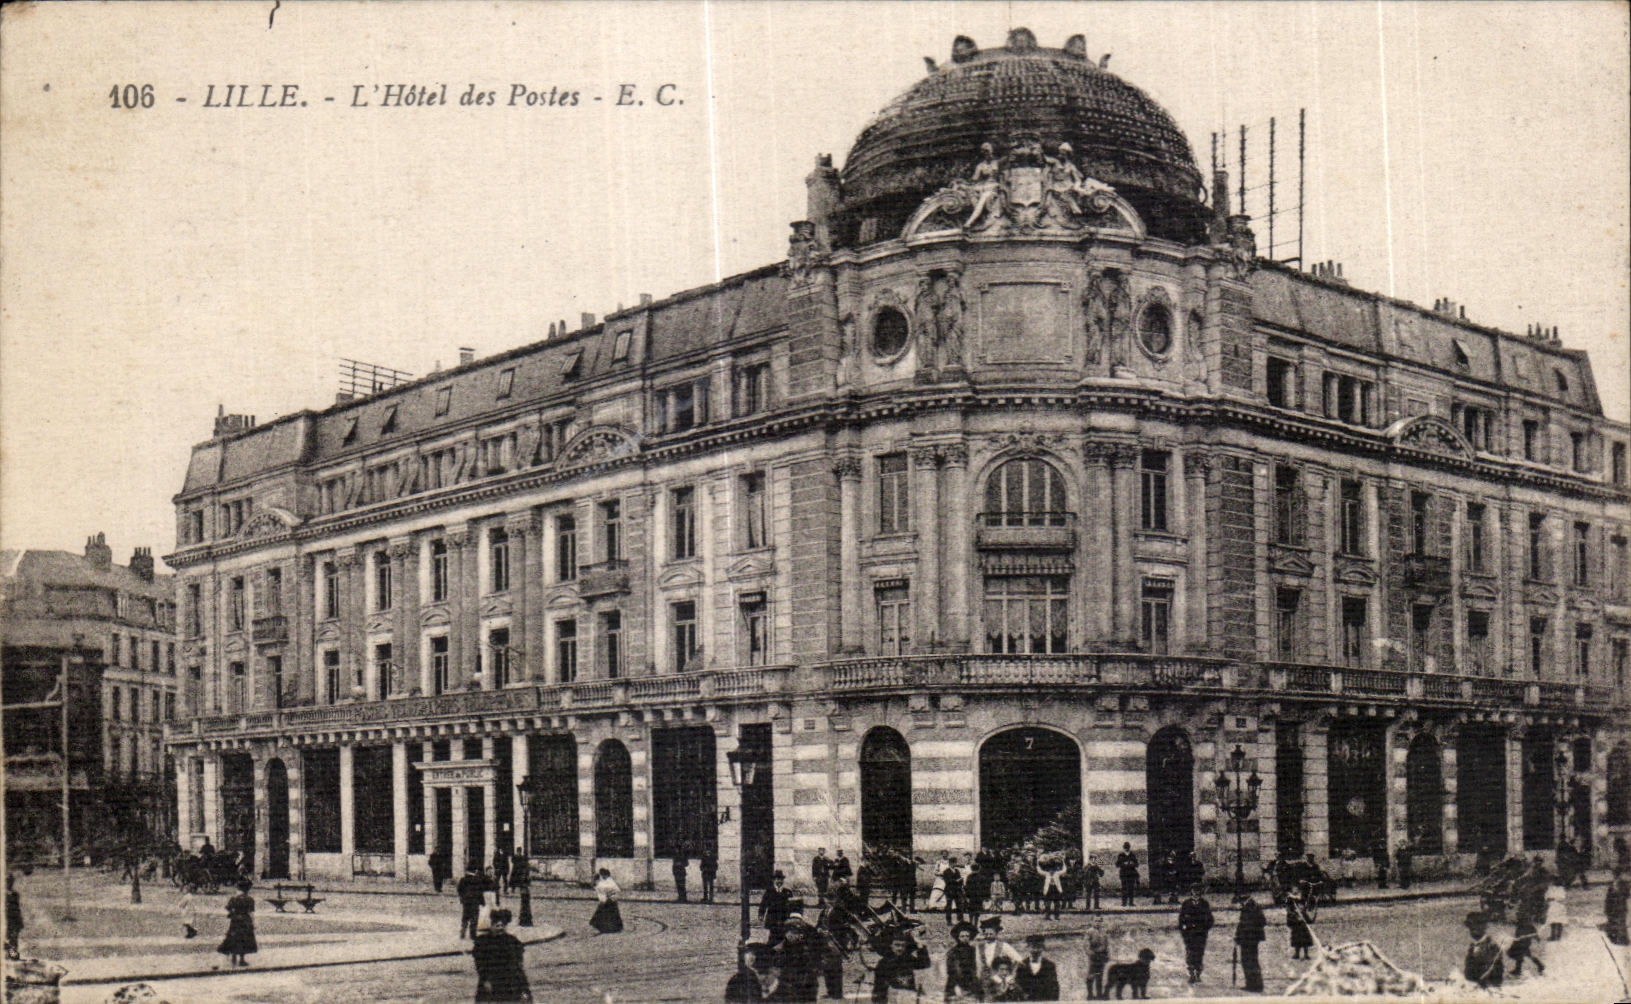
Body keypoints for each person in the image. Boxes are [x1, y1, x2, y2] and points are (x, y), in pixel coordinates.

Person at [472, 907, 532, 1002]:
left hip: (510, 986)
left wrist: (524, 990)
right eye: (497, 925)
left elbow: (518, 968)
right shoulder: (483, 942)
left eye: (502, 925)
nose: (500, 928)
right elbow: (480, 964)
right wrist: (485, 980)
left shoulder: (512, 941)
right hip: (490, 985)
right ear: (491, 925)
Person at [870, 929, 929, 1003]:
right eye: (897, 945)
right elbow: (879, 987)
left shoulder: (908, 958)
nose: (900, 948)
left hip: (909, 997)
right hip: (894, 998)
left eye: (903, 945)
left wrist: (920, 946)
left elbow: (924, 964)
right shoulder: (883, 963)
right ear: (891, 945)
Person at [775, 914, 823, 1002]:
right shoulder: (778, 950)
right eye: (791, 932)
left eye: (798, 932)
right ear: (785, 933)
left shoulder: (808, 950)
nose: (795, 935)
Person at [1177, 885, 1214, 983]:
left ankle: (1198, 973)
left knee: (1199, 953)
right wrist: (1184, 931)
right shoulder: (1186, 903)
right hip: (1189, 934)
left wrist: (1205, 929)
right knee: (1190, 953)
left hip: (1201, 934)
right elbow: (1181, 919)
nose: (1196, 893)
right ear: (1191, 892)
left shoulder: (1204, 904)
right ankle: (1191, 974)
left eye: (1198, 890)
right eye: (1194, 890)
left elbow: (1210, 919)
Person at [217, 879, 257, 968]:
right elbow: (251, 913)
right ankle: (242, 959)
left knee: (234, 938)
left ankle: (233, 957)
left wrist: (233, 912)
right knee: (244, 939)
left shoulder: (234, 899)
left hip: (235, 921)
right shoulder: (250, 899)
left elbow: (227, 908)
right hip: (246, 921)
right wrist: (254, 923)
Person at [1234, 894, 1267, 993]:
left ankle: (1254, 985)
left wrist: (1243, 936)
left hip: (1249, 939)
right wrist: (1238, 937)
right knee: (1250, 961)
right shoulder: (1251, 906)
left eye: (1240, 902)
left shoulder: (1251, 907)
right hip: (1248, 939)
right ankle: (1253, 984)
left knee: (1249, 961)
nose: (1239, 904)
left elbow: (1261, 922)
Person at [1463, 911, 1504, 988]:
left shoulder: (1492, 946)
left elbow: (1491, 972)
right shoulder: (1473, 947)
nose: (1473, 930)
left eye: (1476, 926)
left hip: (1489, 987)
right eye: (1471, 927)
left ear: (1484, 927)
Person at [1015, 934, 1060, 1001]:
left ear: (1043, 948)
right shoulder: (1022, 965)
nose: (1035, 950)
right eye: (1033, 947)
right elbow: (1018, 986)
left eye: (1038, 947)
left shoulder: (1050, 965)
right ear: (1027, 947)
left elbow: (1054, 988)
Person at [943, 921, 980, 1001]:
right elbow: (952, 971)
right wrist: (956, 986)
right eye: (962, 936)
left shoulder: (974, 950)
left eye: (967, 936)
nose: (965, 938)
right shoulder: (953, 952)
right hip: (955, 982)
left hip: (972, 982)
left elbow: (976, 967)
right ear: (958, 937)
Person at [760, 870, 793, 946]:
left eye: (781, 879)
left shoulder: (787, 892)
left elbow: (792, 905)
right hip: (772, 918)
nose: (779, 881)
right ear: (774, 880)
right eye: (777, 879)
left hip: (783, 918)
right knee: (772, 937)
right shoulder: (769, 892)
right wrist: (761, 914)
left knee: (783, 936)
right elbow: (763, 904)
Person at [1082, 920, 1111, 999]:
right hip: (1094, 955)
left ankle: (1099, 994)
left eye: (1099, 921)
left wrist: (1107, 955)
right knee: (1091, 975)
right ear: (1092, 922)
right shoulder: (1089, 931)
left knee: (1100, 975)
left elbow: (1106, 944)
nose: (1098, 923)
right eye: (1096, 921)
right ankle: (1090, 994)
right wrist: (1090, 953)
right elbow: (1086, 944)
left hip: (1102, 955)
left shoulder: (1103, 931)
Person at [590, 868, 623, 934]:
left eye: (602, 875)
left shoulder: (605, 883)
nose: (602, 877)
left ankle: (603, 928)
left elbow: (604, 893)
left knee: (602, 914)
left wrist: (603, 900)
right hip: (611, 900)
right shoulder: (608, 881)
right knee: (612, 914)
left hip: (609, 900)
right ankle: (614, 928)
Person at [457, 863, 485, 940]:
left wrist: (462, 898)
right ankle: (472, 934)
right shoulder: (477, 880)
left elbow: (459, 890)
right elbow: (480, 892)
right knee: (474, 918)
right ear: (475, 870)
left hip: (466, 902)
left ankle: (462, 933)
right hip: (475, 902)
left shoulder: (463, 879)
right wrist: (482, 902)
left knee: (465, 917)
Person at [1286, 887, 1314, 961]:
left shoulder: (1301, 898)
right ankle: (1297, 953)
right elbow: (1288, 909)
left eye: (1297, 889)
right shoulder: (1290, 899)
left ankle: (1306, 954)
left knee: (1305, 938)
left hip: (1302, 921)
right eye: (1294, 889)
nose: (1296, 890)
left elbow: (1305, 904)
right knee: (1296, 938)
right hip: (1296, 922)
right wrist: (1293, 915)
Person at [1604, 870, 1629, 946]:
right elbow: (1608, 898)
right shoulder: (1612, 886)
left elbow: (1627, 895)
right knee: (1615, 922)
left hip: (1620, 907)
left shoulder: (1623, 885)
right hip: (1614, 908)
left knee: (1621, 923)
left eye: (1617, 876)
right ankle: (1616, 938)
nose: (1616, 877)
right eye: (1615, 876)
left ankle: (1622, 938)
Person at [941, 857, 966, 926]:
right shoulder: (946, 871)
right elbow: (947, 881)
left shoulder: (957, 871)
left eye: (955, 862)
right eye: (953, 863)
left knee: (959, 905)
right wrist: (956, 881)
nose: (954, 864)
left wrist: (960, 883)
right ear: (950, 863)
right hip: (949, 890)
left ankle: (960, 919)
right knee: (949, 906)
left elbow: (960, 880)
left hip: (957, 890)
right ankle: (949, 921)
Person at [1545, 876, 1568, 940]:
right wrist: (1548, 899)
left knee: (1559, 921)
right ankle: (1553, 935)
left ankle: (1558, 935)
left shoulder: (1561, 889)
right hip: (1552, 906)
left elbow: (1562, 897)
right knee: (1552, 921)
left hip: (1559, 906)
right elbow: (1546, 896)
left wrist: (1553, 898)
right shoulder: (1550, 889)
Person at [5, 874, 22, 956]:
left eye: (11, 882)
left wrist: (19, 921)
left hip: (13, 919)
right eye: (7, 882)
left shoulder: (15, 894)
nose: (9, 884)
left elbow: (17, 908)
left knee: (13, 938)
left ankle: (12, 954)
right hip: (6, 919)